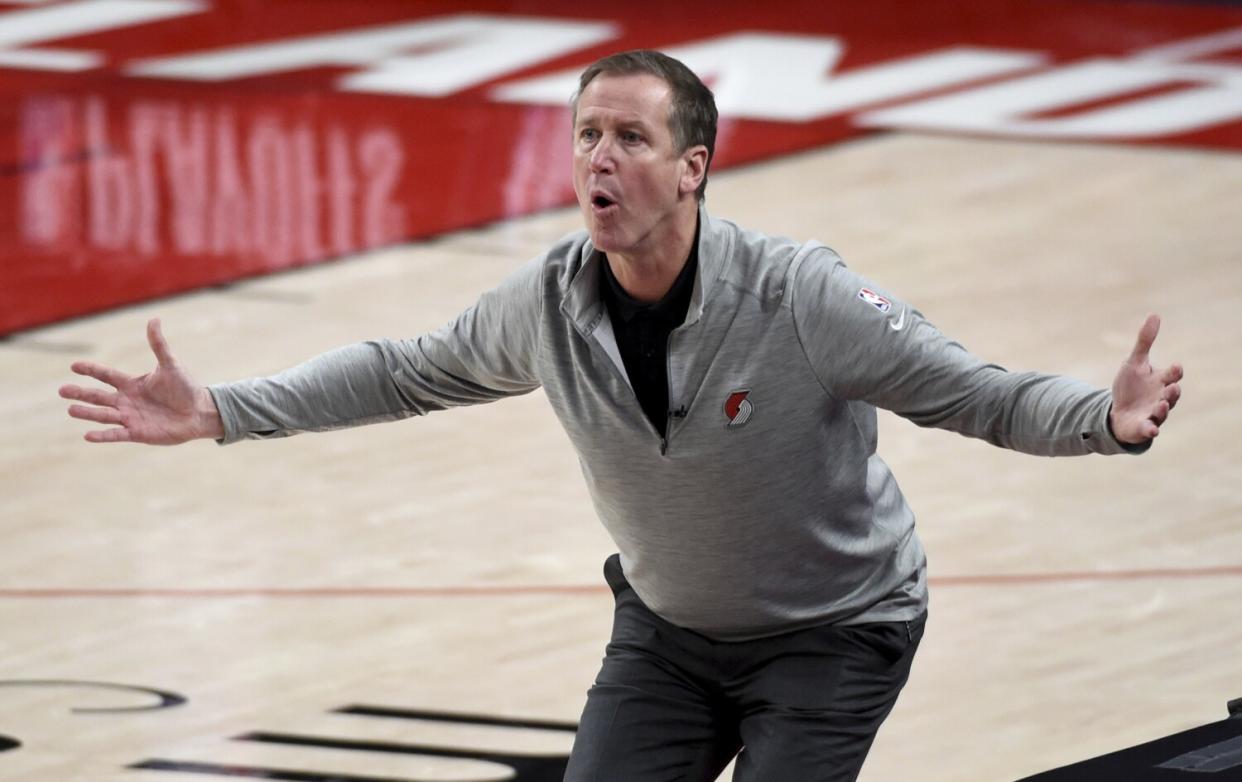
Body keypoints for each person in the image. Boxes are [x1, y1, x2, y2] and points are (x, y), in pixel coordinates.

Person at [60, 50, 1183, 781]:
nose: (600, 156)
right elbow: (404, 370)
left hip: (835, 629)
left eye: (631, 138)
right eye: (587, 133)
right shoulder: (546, 302)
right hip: (668, 636)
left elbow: (969, 388)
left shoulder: (802, 295)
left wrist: (1105, 416)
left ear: (693, 167)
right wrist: (221, 409)